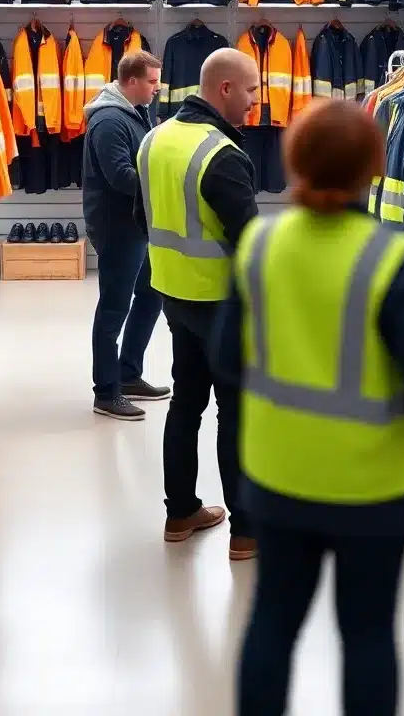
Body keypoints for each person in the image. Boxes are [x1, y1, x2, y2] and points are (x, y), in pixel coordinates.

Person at [214, 99, 404, 716]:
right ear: (373, 167)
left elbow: (226, 358)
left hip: (279, 476)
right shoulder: (389, 256)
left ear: (293, 160)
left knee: (272, 622)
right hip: (373, 487)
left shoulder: (260, 245)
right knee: (368, 635)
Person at [135, 47, 261, 560]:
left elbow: (145, 217)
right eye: (251, 90)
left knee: (186, 403)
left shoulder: (155, 138)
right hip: (221, 302)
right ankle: (247, 531)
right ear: (224, 88)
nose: (255, 101)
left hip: (173, 293)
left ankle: (180, 513)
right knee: (237, 413)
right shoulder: (220, 154)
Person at [83, 50, 168, 421]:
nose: (157, 88)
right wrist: (164, 190)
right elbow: (120, 176)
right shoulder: (108, 121)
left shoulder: (134, 112)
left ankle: (129, 375)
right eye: (152, 81)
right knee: (114, 308)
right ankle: (106, 392)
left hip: (136, 224)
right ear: (131, 80)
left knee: (151, 294)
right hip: (118, 228)